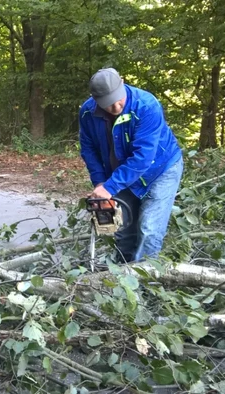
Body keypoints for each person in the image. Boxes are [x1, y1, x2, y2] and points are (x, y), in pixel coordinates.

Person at [79, 68, 184, 262]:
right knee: (124, 230)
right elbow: (89, 150)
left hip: (160, 170)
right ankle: (121, 278)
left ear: (122, 82)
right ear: (95, 98)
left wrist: (110, 187)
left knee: (149, 228)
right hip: (121, 172)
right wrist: (100, 184)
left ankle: (144, 282)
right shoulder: (87, 113)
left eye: (117, 98)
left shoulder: (146, 105)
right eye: (108, 102)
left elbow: (144, 157)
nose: (116, 105)